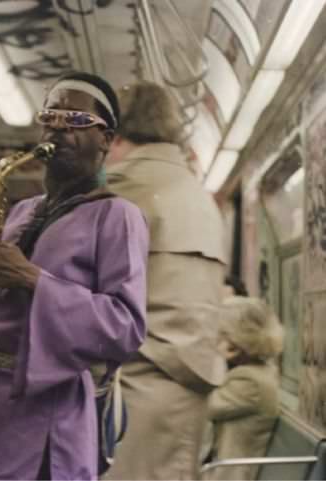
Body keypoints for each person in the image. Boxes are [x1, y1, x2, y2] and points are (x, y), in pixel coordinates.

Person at [0, 71, 149, 480]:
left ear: (106, 139)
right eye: (51, 116)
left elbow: (126, 330)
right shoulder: (21, 211)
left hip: (48, 419)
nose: (60, 128)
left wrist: (32, 279)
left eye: (78, 120)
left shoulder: (118, 216)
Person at [103, 82, 227, 480]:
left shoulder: (124, 188)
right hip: (186, 381)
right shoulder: (197, 194)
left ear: (116, 136)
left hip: (136, 380)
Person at [207, 297, 283, 480]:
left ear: (235, 339)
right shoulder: (259, 371)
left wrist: (216, 358)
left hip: (231, 474)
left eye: (221, 333)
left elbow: (202, 409)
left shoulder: (250, 382)